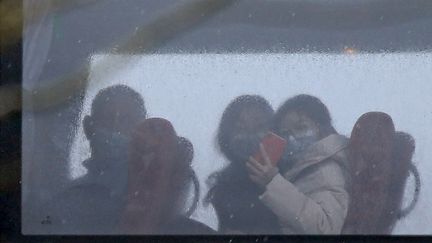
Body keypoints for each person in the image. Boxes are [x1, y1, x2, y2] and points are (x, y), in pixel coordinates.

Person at [40, 84, 147, 234]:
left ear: (142, 131)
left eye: (127, 120)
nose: (116, 127)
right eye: (107, 119)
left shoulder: (155, 194)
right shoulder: (61, 205)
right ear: (89, 126)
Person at [248, 94, 349, 234]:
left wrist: (273, 183)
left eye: (301, 128)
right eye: (285, 133)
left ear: (320, 128)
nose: (292, 138)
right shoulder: (306, 167)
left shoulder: (325, 169)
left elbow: (327, 229)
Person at [119, 118, 215, 234]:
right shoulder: (97, 219)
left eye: (156, 170)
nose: (142, 181)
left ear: (177, 180)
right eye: (136, 165)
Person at [206, 95, 282, 234]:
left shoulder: (292, 175)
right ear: (227, 136)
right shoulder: (223, 184)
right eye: (241, 128)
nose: (250, 135)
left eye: (259, 127)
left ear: (274, 132)